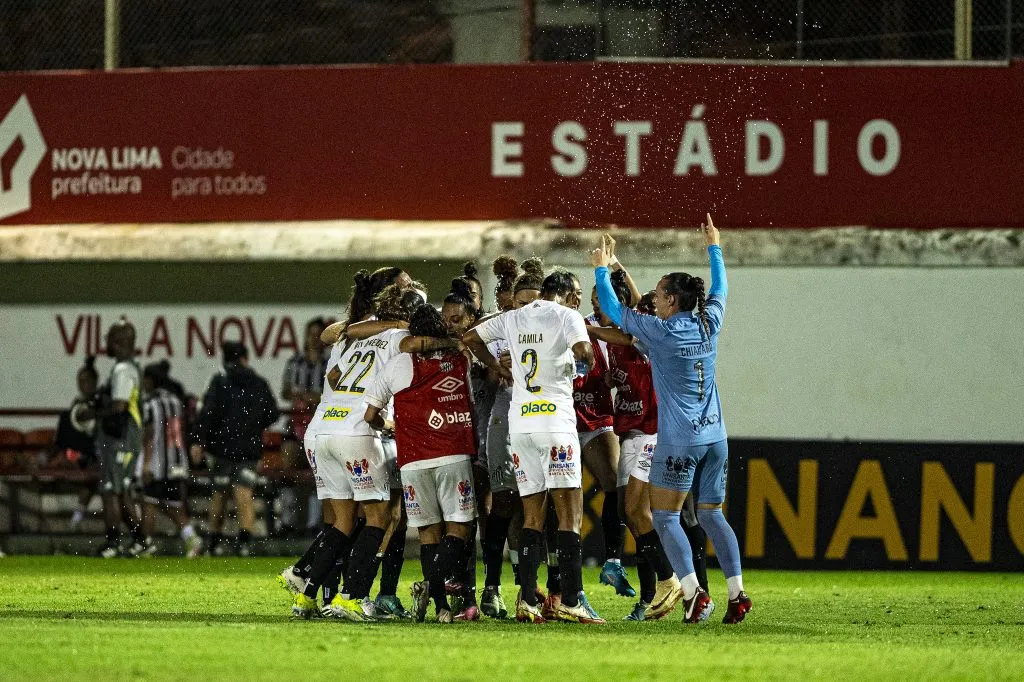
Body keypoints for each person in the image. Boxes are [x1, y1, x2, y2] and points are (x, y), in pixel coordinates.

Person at [592, 215, 752, 624]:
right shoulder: (708, 322)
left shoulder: (661, 331)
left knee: (664, 517)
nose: (656, 298)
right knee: (713, 514)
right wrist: (714, 246)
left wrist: (600, 266)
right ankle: (737, 594)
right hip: (716, 437)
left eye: (661, 293)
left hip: (679, 441)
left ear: (672, 301)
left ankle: (694, 592)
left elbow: (611, 308)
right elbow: (721, 288)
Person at [464, 269, 605, 624]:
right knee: (570, 516)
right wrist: (578, 364)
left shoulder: (511, 317)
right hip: (555, 424)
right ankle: (571, 600)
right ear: (558, 294)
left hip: (521, 425)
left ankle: (527, 599)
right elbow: (585, 352)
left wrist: (495, 364)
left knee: (531, 515)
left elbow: (469, 337)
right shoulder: (566, 316)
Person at [291, 285, 427, 621]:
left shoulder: (356, 336)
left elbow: (334, 365)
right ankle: (350, 598)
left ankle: (306, 596)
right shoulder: (398, 336)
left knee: (343, 521)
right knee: (380, 518)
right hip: (355, 431)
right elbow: (416, 342)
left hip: (321, 429)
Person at [364, 304, 478, 623]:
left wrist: (391, 426)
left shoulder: (397, 364)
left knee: (428, 533)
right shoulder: (458, 358)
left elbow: (370, 415)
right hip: (452, 453)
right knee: (459, 527)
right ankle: (432, 586)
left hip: (412, 461)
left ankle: (440, 606)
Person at [588, 285, 684, 621]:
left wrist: (586, 326)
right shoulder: (610, 343)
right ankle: (653, 595)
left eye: (604, 302)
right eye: (594, 302)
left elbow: (628, 330)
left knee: (637, 511)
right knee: (633, 515)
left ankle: (673, 581)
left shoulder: (642, 333)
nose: (598, 308)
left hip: (650, 433)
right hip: (630, 434)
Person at [192, 341, 279, 557]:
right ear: (245, 358)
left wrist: (199, 441)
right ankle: (243, 544)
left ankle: (213, 543)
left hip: (220, 449)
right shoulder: (259, 383)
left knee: (219, 495)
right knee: (244, 494)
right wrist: (252, 425)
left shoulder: (219, 382)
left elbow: (206, 415)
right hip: (248, 449)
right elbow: (273, 413)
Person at [78, 318, 147, 558]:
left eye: (108, 338)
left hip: (122, 439)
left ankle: (113, 543)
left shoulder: (124, 369)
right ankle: (141, 541)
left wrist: (92, 413)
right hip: (123, 439)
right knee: (119, 492)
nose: (105, 342)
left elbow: (120, 407)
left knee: (110, 491)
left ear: (118, 342)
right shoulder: (126, 367)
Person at [138, 363, 202, 558]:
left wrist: (146, 464)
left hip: (157, 463)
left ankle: (147, 544)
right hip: (176, 461)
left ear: (149, 380)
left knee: (148, 503)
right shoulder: (175, 401)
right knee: (172, 504)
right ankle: (192, 539)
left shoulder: (149, 403)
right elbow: (181, 431)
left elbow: (149, 435)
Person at [278, 317, 328, 537]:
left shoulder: (330, 364)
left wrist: (313, 397)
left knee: (320, 474)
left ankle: (314, 524)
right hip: (297, 428)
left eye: (319, 334)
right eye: (311, 333)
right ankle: (287, 521)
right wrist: (299, 395)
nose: (314, 338)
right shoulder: (294, 362)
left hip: (321, 428)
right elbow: (285, 391)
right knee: (287, 468)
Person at [53, 356, 100, 532]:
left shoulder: (101, 404)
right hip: (81, 456)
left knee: (95, 476)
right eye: (80, 381)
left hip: (99, 457)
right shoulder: (76, 406)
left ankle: (76, 521)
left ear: (95, 381)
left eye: (87, 380)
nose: (83, 385)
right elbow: (67, 437)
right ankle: (75, 521)